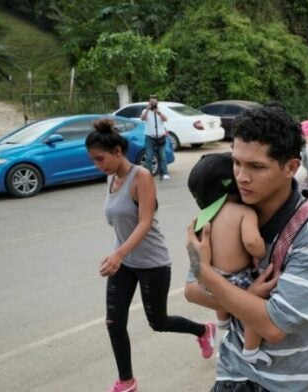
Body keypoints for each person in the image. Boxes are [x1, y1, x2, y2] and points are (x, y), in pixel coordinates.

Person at [186, 106, 308, 392]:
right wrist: (250, 298)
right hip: (236, 372)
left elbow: (274, 326)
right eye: (236, 163)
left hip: (299, 381)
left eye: (257, 167)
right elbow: (191, 289)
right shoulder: (225, 208)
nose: (241, 177)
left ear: (291, 167)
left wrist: (207, 274)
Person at [85, 118, 214, 392]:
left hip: (152, 263)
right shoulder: (112, 178)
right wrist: (119, 255)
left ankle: (203, 330)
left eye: (100, 158)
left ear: (118, 151)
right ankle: (127, 381)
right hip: (125, 262)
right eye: (94, 160)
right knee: (114, 321)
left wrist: (118, 253)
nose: (98, 165)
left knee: (159, 322)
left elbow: (145, 222)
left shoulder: (140, 176)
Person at [187, 152, 271, 365]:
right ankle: (251, 350)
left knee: (220, 284)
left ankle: (222, 319)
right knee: (255, 305)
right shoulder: (244, 212)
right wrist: (259, 253)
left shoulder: (202, 219)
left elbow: (198, 263)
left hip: (209, 281)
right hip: (237, 281)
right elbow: (252, 242)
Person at [140, 95, 170, 181]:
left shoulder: (161, 111)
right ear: (149, 102)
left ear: (157, 102)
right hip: (150, 137)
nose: (153, 103)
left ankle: (164, 173)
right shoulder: (145, 111)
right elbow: (142, 118)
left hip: (160, 137)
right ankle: (147, 174)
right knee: (149, 156)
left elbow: (165, 119)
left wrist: (158, 112)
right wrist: (148, 109)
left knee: (162, 156)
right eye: (151, 102)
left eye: (154, 102)